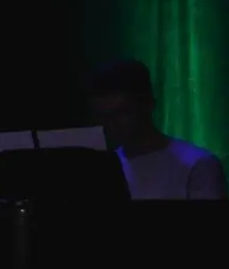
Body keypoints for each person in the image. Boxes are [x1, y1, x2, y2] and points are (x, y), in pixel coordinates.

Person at [88, 58, 226, 199]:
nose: (111, 123)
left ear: (148, 105)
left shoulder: (198, 165)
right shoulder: (103, 169)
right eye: (103, 115)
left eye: (123, 112)